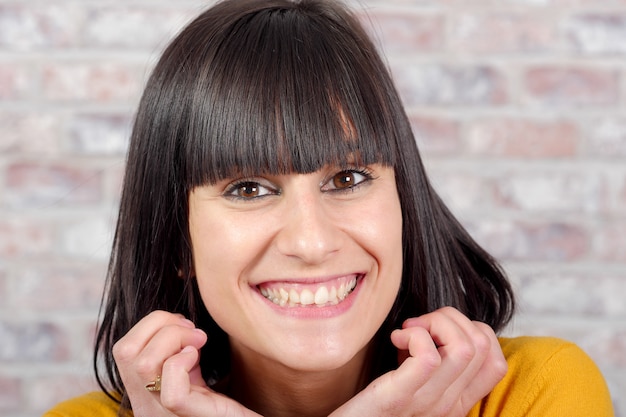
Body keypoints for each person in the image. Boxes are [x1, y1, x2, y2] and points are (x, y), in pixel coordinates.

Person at [45, 0, 614, 416]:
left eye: (348, 177)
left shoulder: (540, 392)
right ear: (177, 243)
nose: (312, 242)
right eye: (249, 189)